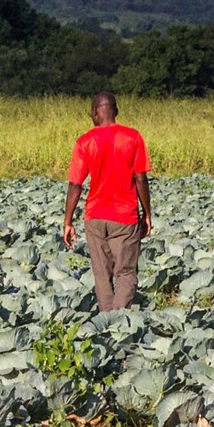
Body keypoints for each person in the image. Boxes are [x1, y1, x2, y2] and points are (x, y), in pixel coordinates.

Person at [61, 92, 152, 312]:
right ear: (116, 111)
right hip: (125, 216)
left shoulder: (85, 141)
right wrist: (147, 214)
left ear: (94, 112)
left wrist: (68, 221)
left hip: (95, 216)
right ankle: (117, 323)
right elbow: (140, 178)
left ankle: (106, 325)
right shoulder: (133, 137)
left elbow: (75, 185)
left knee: (102, 276)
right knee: (126, 274)